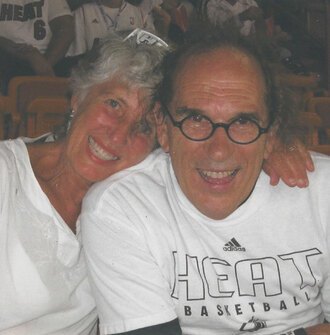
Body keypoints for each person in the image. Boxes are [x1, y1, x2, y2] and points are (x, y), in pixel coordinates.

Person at [81, 28, 330, 335]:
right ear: (163, 127)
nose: (218, 150)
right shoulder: (120, 207)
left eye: (243, 122)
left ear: (272, 133)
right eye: (195, 120)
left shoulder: (321, 193)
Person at [0, 29, 168, 334]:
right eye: (114, 104)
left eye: (143, 126)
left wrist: (279, 146)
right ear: (78, 97)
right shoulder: (6, 175)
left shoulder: (138, 202)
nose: (118, 135)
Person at [0, 0, 74, 93]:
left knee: (87, 67)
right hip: (9, 58)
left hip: (49, 59)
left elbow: (65, 28)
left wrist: (45, 64)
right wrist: (28, 54)